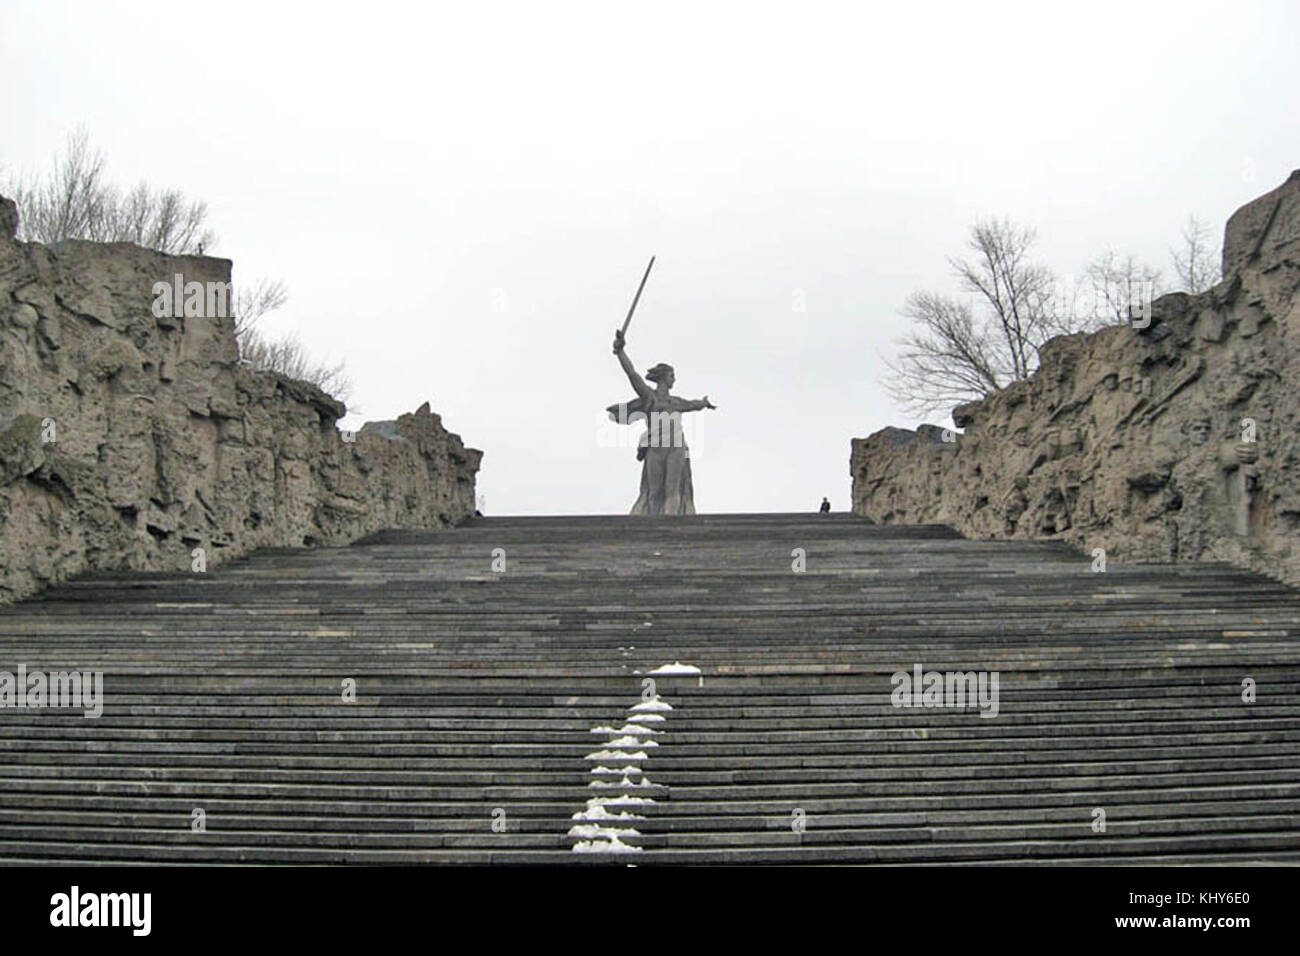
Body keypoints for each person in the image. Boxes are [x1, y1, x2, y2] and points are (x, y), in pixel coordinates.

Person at [607, 329, 716, 515]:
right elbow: (632, 375)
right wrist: (621, 352)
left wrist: (704, 403)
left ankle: (671, 525)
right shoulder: (649, 397)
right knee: (653, 492)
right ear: (664, 377)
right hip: (655, 447)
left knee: (672, 490)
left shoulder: (676, 402)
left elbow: (693, 404)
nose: (674, 379)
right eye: (672, 376)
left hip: (676, 447)